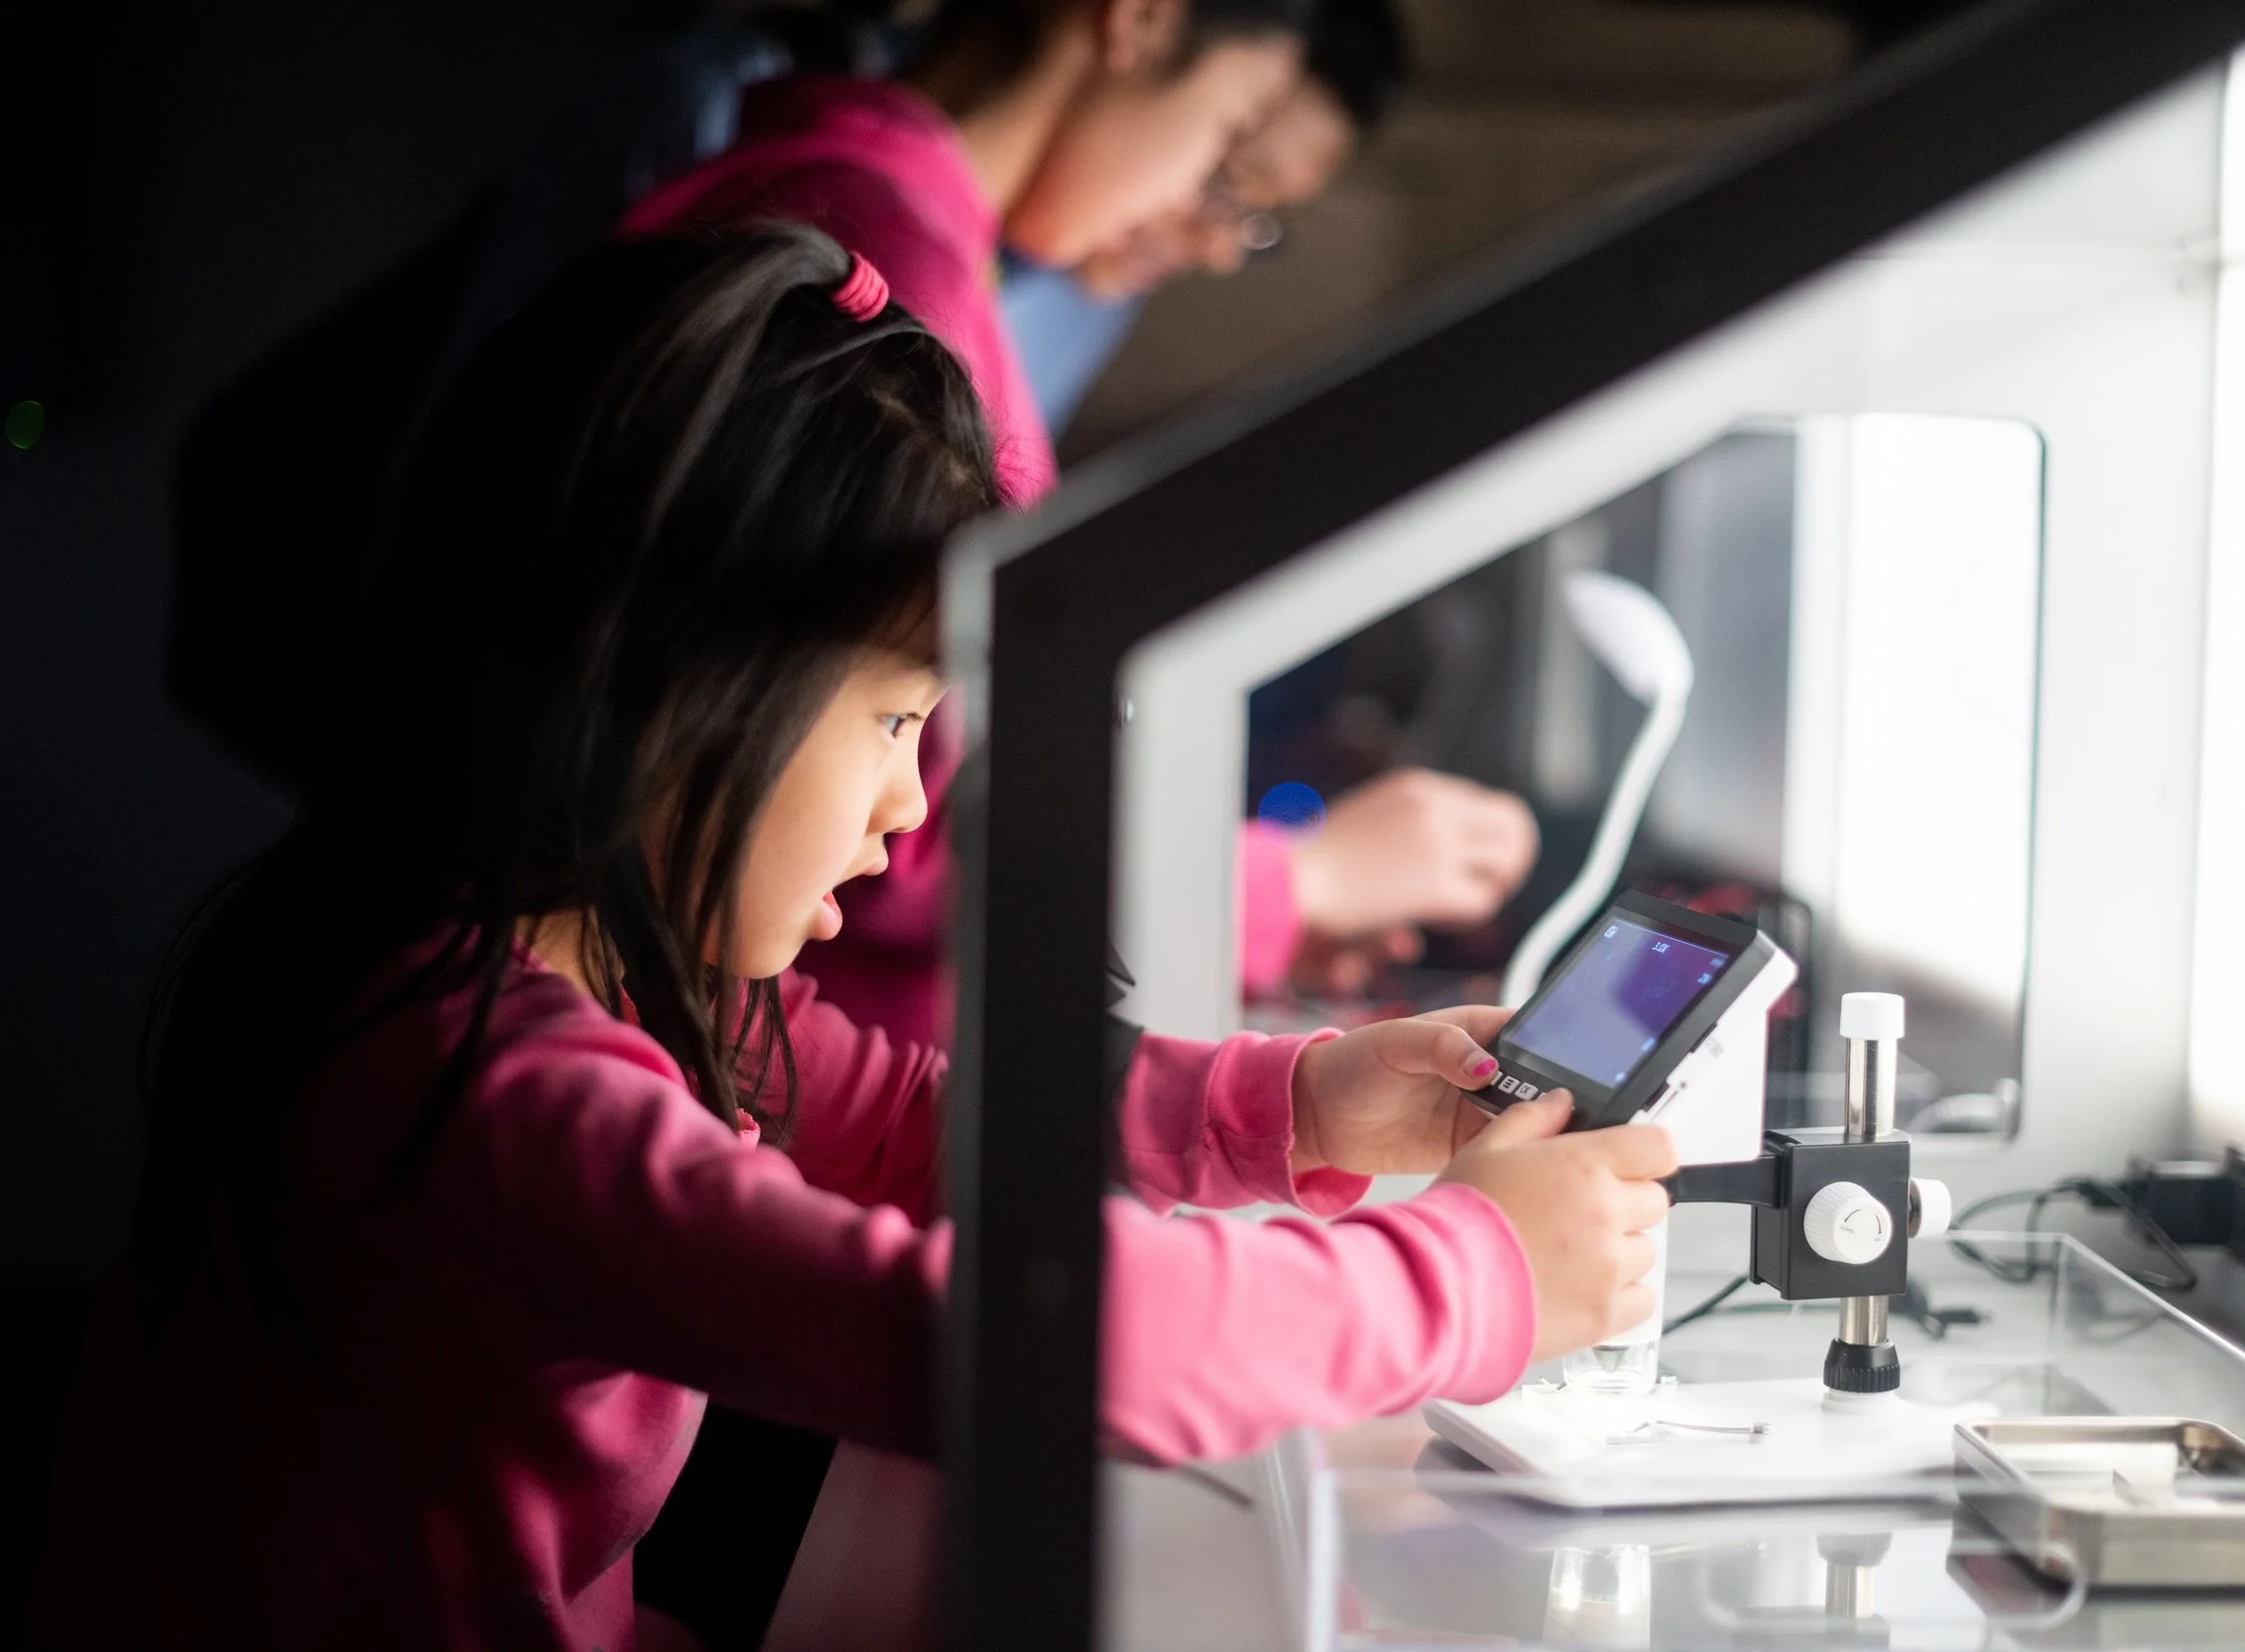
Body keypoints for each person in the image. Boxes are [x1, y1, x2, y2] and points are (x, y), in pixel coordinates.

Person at [30, 228, 1675, 1651]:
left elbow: (904, 1114)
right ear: (673, 686)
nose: (911, 804)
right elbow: (995, 1335)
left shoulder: (574, 974)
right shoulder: (488, 1087)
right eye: (892, 719)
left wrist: (1304, 1104)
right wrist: (1481, 1271)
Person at [625, 0, 1536, 1045]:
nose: (1210, 223)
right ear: (1138, 20)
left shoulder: (895, 233)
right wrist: (1292, 880)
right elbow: (860, 800)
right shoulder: (882, 266)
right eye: (1229, 137)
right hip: (806, 1063)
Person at [1003, 0, 1407, 432]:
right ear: (1137, 27)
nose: (1219, 251)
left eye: (1260, 219)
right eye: (1222, 180)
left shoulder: (1080, 315)